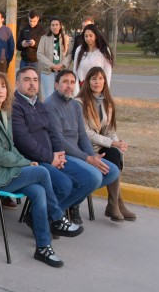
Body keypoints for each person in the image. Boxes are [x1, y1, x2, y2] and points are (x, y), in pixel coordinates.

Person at [0, 71, 82, 268]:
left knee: (38, 191)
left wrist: (24, 161)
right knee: (41, 172)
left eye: (3, 86)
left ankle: (43, 247)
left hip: (5, 170)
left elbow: (11, 148)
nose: (0, 90)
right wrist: (26, 164)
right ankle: (56, 218)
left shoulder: (3, 113)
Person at [11, 66, 100, 224]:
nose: (32, 84)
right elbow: (23, 141)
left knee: (90, 179)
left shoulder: (39, 104)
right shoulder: (15, 106)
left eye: (35, 80)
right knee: (65, 185)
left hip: (52, 157)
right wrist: (50, 158)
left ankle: (44, 215)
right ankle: (45, 219)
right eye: (27, 80)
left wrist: (59, 154)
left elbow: (54, 134)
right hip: (33, 160)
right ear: (17, 83)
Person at [44, 69, 121, 214]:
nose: (69, 86)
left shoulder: (74, 105)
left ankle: (71, 203)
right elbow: (60, 141)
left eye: (72, 82)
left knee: (112, 172)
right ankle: (54, 212)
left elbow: (83, 135)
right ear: (56, 85)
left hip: (78, 154)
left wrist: (93, 156)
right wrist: (87, 158)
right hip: (61, 155)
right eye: (65, 82)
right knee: (94, 177)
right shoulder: (50, 105)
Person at [77, 67, 136, 221]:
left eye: (101, 78)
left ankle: (114, 202)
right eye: (94, 79)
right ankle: (116, 203)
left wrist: (118, 143)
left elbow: (109, 130)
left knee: (116, 154)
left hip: (101, 145)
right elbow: (86, 133)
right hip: (85, 147)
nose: (98, 82)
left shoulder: (107, 103)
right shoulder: (80, 103)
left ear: (105, 81)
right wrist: (112, 143)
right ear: (87, 82)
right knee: (112, 153)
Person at [36, 17, 72, 99]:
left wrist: (62, 64)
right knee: (50, 96)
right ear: (50, 27)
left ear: (60, 26)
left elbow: (70, 54)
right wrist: (51, 65)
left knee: (62, 95)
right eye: (52, 25)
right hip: (48, 72)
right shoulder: (44, 39)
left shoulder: (67, 39)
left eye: (56, 25)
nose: (55, 27)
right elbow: (39, 54)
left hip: (62, 71)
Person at [74, 24, 114, 90]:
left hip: (97, 87)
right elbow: (75, 70)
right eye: (86, 36)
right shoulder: (79, 49)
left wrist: (105, 90)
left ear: (96, 36)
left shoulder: (104, 50)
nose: (88, 38)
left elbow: (107, 72)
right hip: (82, 87)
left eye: (91, 35)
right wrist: (76, 90)